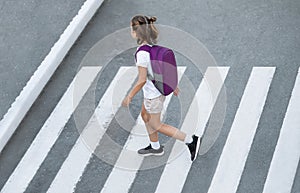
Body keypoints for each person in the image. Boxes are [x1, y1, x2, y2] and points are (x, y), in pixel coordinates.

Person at [122, 15, 201, 161]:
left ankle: (190, 140)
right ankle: (155, 146)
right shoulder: (151, 48)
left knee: (156, 124)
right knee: (145, 116)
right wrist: (172, 85)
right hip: (154, 92)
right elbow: (159, 69)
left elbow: (141, 80)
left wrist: (129, 96)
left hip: (153, 95)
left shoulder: (142, 54)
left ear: (135, 32)